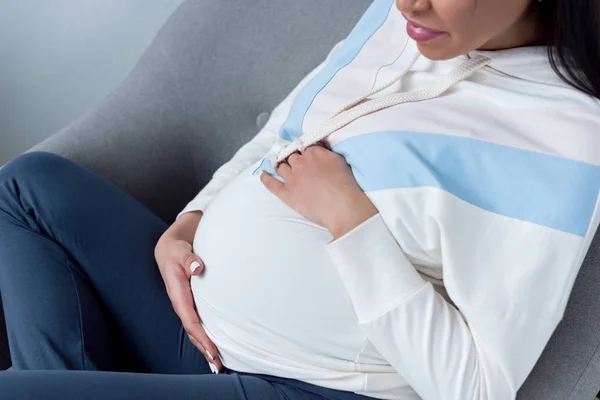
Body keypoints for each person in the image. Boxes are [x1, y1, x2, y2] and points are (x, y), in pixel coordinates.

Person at [1, 0, 599, 398]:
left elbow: (478, 385)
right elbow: (284, 129)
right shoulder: (408, 23)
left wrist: (351, 219)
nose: (411, 2)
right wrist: (191, 219)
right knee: (25, 187)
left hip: (297, 384)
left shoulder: (568, 137)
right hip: (196, 331)